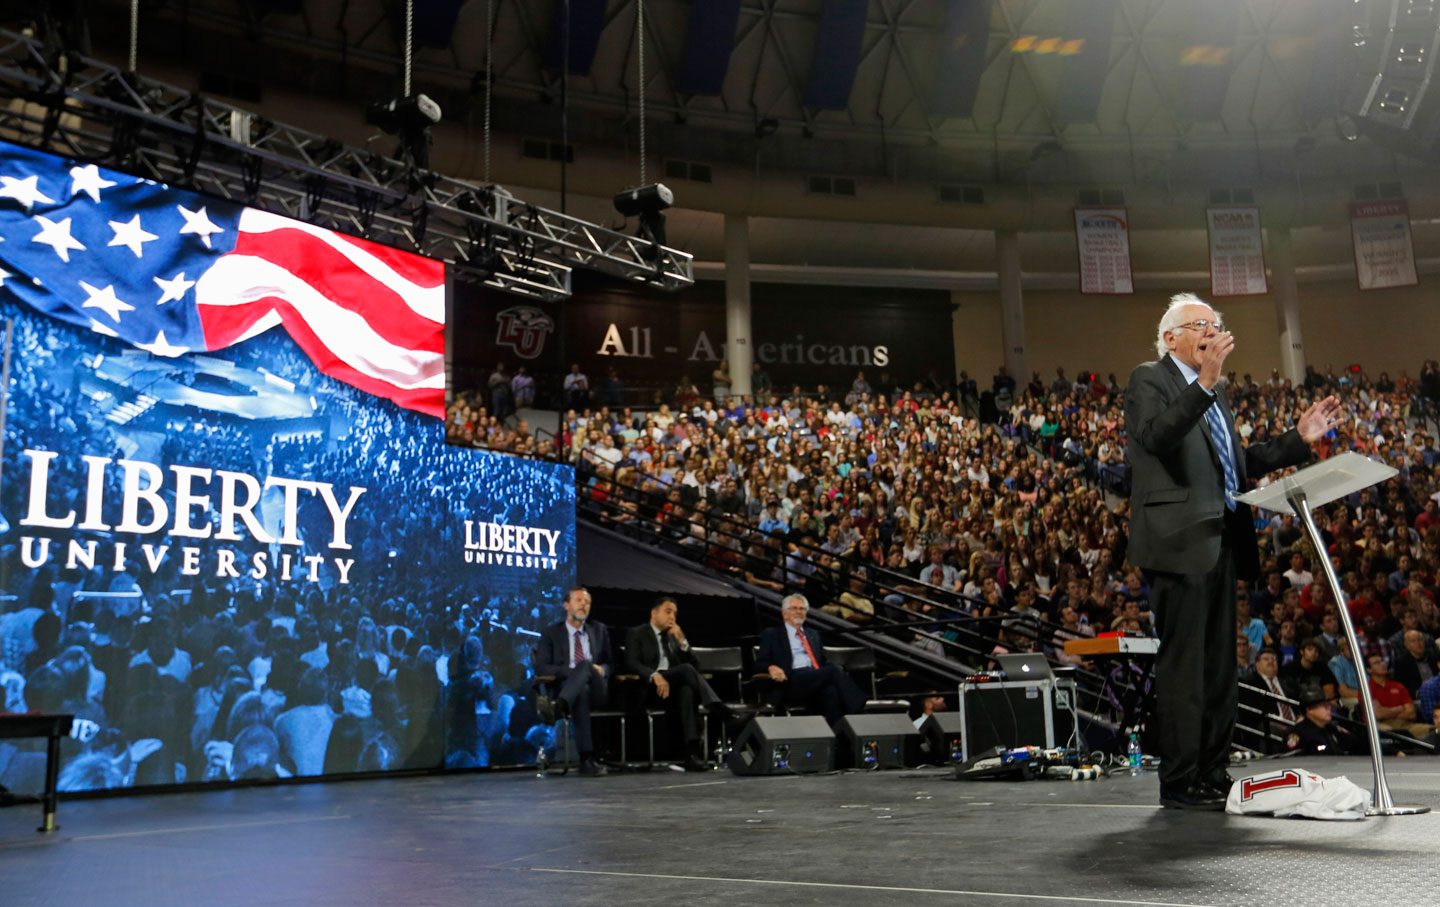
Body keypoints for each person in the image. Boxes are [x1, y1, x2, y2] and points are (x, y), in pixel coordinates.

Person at [1125, 293, 1343, 809]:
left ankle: (1212, 772)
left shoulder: (1215, 396)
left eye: (1215, 323)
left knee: (1222, 667)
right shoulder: (1149, 379)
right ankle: (1180, 780)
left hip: (1223, 537)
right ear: (1171, 337)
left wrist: (1298, 437)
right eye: (1199, 323)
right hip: (1179, 542)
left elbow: (1240, 463)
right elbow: (1156, 437)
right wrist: (1203, 382)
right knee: (1186, 668)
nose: (1211, 329)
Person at [624, 597, 721, 772]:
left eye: (675, 613)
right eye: (668, 612)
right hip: (649, 688)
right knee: (684, 670)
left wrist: (682, 641)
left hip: (673, 690)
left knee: (687, 691)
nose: (672, 617)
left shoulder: (673, 637)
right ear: (654, 613)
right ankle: (719, 710)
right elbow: (631, 663)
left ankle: (691, 754)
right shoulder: (637, 633)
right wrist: (654, 675)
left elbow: (696, 667)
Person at [753, 594, 867, 726]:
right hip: (789, 680)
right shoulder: (772, 634)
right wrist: (771, 667)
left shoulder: (813, 634)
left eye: (802, 609)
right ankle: (860, 710)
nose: (799, 612)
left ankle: (835, 738)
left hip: (813, 679)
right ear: (784, 613)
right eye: (794, 608)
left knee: (831, 691)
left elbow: (822, 660)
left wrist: (836, 669)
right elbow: (759, 663)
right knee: (832, 671)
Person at [535, 587, 612, 776]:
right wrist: (574, 672)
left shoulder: (599, 630)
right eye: (579, 601)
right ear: (566, 605)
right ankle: (587, 760)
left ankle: (559, 706)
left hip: (598, 689)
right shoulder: (551, 633)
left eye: (587, 602)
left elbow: (612, 663)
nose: (584, 605)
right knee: (581, 691)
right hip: (572, 689)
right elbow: (541, 668)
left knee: (586, 666)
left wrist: (603, 669)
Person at [1285, 691, 1364, 755]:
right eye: (1323, 706)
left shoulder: (1332, 728)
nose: (1329, 709)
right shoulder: (1298, 733)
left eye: (1328, 705)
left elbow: (1355, 743)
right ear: (1309, 710)